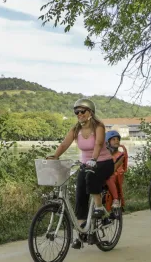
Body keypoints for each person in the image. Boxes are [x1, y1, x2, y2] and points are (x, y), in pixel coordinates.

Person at [46, 98, 114, 249]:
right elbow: (65, 144)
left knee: (91, 176)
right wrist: (55, 156)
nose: (79, 114)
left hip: (103, 162)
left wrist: (94, 159)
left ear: (90, 112)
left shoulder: (99, 126)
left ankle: (99, 208)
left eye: (82, 111)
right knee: (80, 194)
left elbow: (98, 144)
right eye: (77, 112)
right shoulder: (76, 129)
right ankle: (82, 232)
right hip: (86, 164)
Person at [104, 130, 128, 211]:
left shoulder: (121, 154)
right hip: (105, 173)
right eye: (113, 139)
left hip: (116, 175)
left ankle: (116, 199)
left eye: (117, 139)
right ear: (107, 142)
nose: (116, 141)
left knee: (109, 177)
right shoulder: (104, 154)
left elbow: (116, 168)